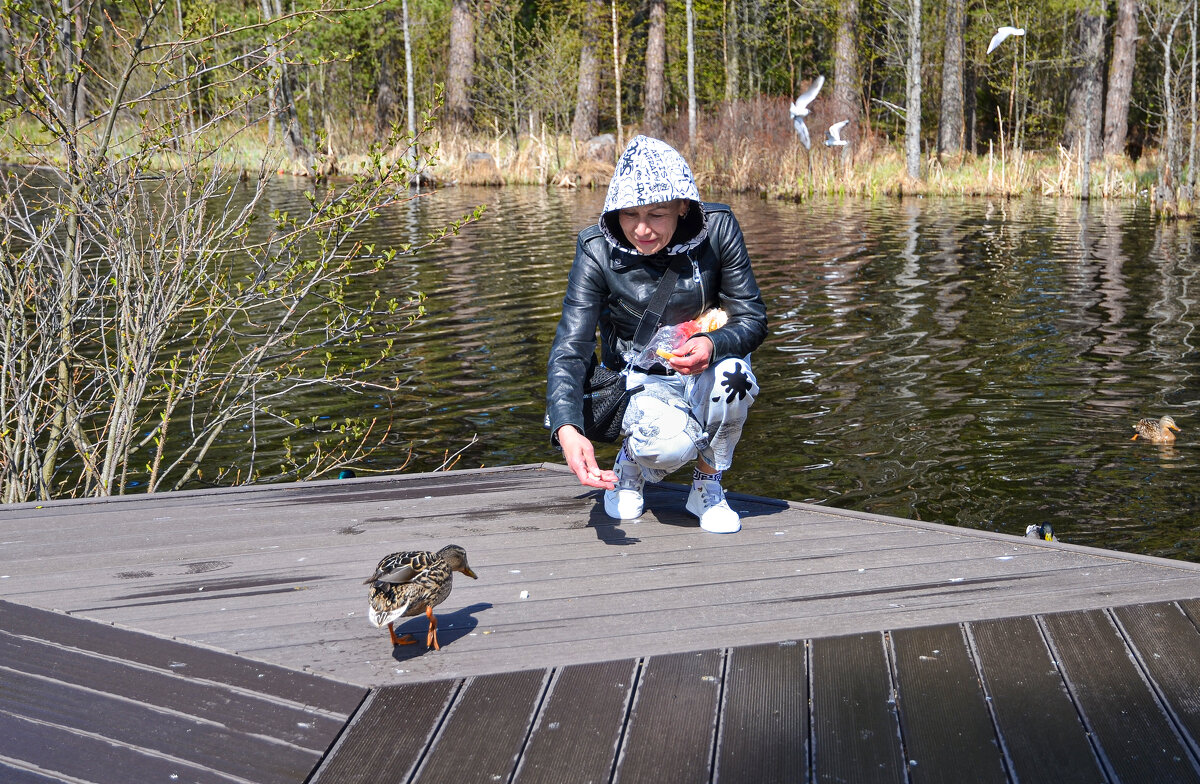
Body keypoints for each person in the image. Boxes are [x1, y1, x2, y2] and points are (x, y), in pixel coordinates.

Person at [545, 135, 767, 533]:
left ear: (683, 207)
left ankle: (707, 485)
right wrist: (567, 429)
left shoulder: (718, 229)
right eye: (629, 215)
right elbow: (570, 349)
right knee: (667, 447)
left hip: (708, 367)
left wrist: (712, 343)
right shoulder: (595, 249)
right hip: (640, 381)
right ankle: (631, 460)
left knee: (736, 378)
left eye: (657, 215)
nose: (641, 230)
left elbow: (752, 318)